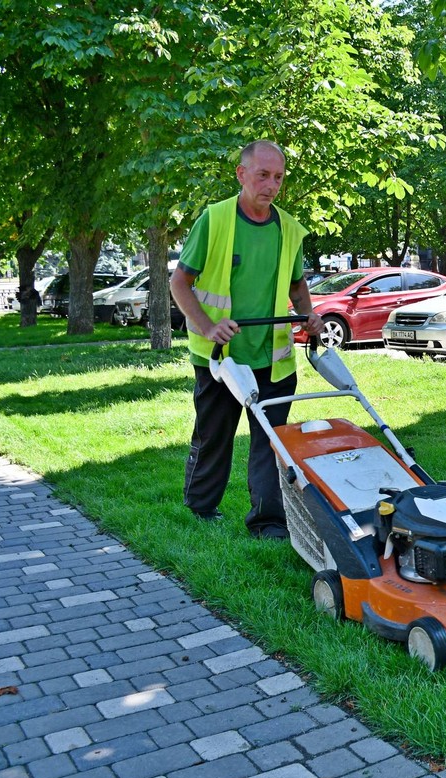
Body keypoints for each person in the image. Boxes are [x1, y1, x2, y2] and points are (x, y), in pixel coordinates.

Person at [170, 139, 324, 538]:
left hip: (272, 358)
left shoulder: (288, 228)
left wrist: (309, 316)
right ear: (241, 174)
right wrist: (207, 326)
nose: (271, 185)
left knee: (271, 445)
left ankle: (268, 521)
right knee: (214, 437)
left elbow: (297, 285)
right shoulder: (215, 220)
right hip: (221, 360)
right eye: (263, 175)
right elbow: (179, 282)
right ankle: (201, 508)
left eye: (278, 177)